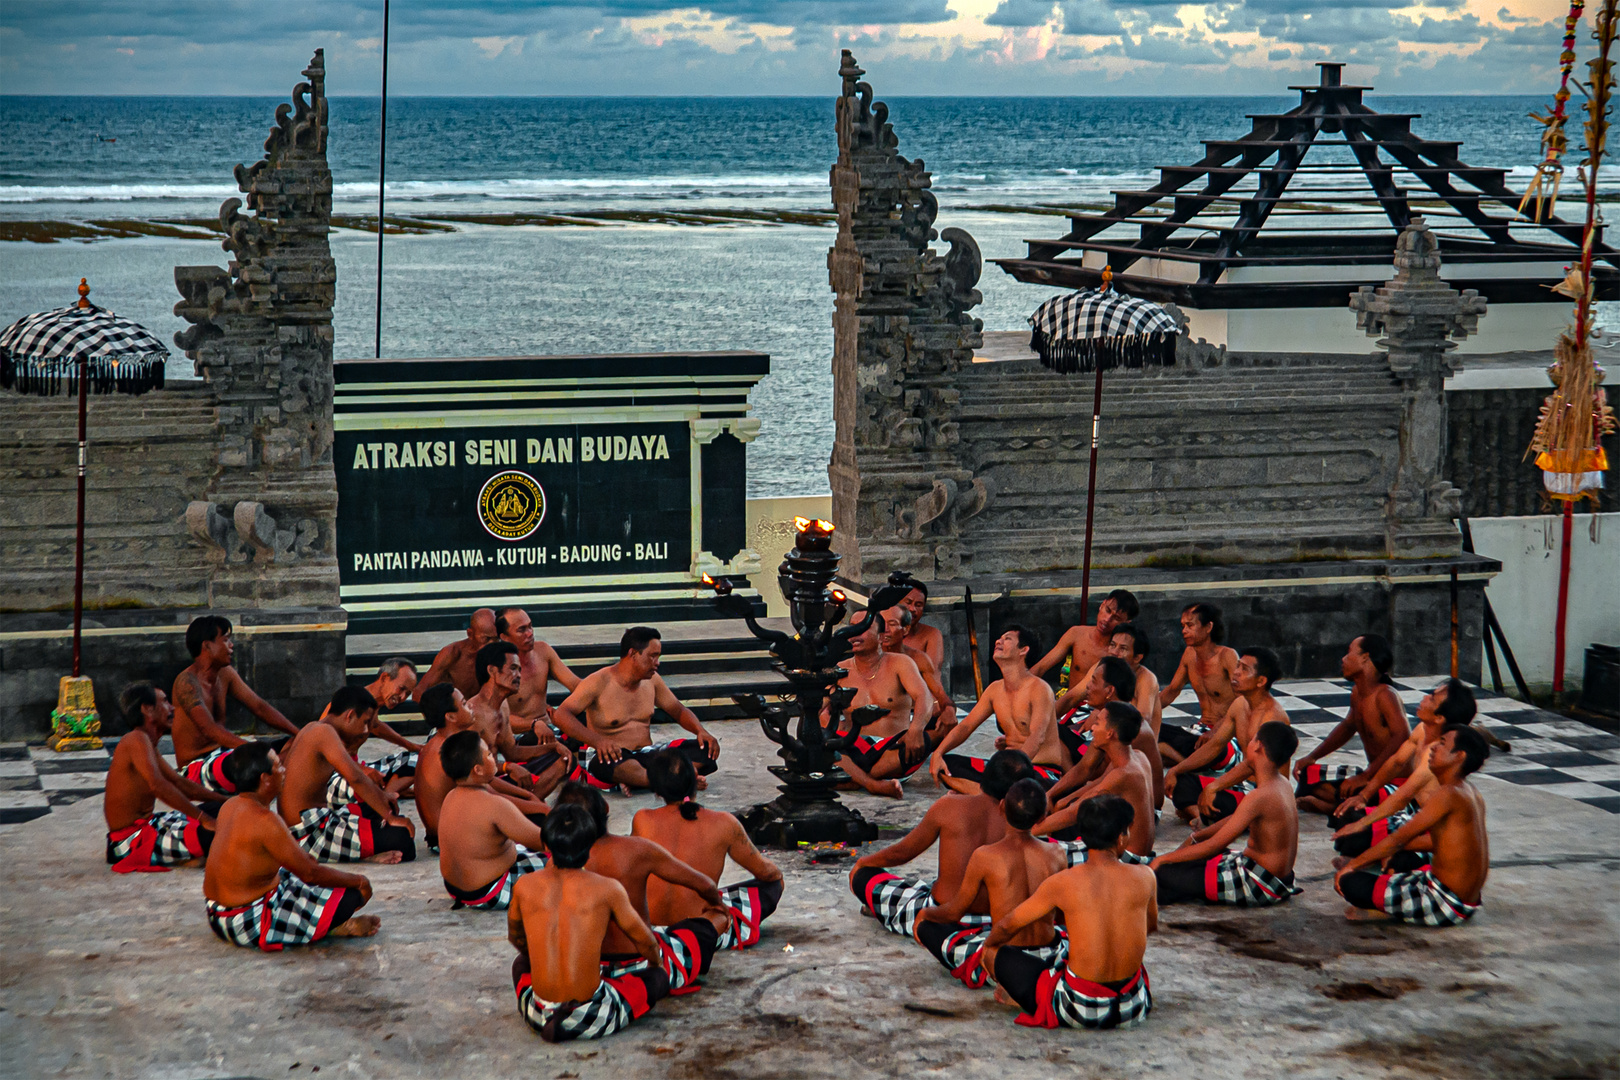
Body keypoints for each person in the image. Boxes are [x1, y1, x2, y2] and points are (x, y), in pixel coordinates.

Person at [982, 794, 1156, 1030]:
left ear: (1082, 836)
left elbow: (1007, 925)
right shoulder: (1146, 877)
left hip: (1077, 1008)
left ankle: (1017, 996)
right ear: (1121, 838)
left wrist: (988, 947)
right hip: (1132, 1005)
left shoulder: (1063, 883)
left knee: (995, 953)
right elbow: (1150, 926)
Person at [508, 804, 671, 1042]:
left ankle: (554, 1018)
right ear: (590, 848)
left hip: (537, 1012)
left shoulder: (524, 886)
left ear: (545, 846)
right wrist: (656, 964)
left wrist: (541, 958)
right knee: (658, 980)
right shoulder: (607, 889)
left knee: (520, 964)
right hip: (592, 1017)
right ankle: (569, 1021)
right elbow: (645, 941)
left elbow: (515, 937)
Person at [203, 743, 378, 950]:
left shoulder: (229, 806)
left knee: (290, 874)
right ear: (265, 779)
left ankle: (320, 925)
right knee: (352, 895)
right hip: (247, 923)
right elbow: (310, 873)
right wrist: (359, 881)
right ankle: (331, 927)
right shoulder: (266, 820)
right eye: (278, 766)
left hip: (215, 915)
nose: (284, 770)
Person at [556, 782, 727, 992]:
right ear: (606, 809)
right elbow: (705, 885)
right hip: (638, 963)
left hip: (583, 969)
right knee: (716, 918)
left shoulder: (553, 866)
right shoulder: (637, 850)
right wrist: (717, 904)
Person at [851, 749, 1036, 940]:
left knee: (862, 876)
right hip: (1000, 920)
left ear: (984, 778)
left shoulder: (949, 806)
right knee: (927, 885)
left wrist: (863, 862)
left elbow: (902, 853)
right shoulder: (1025, 823)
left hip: (942, 918)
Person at [914, 778, 1068, 989]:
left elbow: (954, 912)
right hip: (1051, 958)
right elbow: (1060, 916)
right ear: (1042, 817)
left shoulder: (985, 856)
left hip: (1002, 960)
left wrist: (925, 915)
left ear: (1002, 807)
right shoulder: (1058, 853)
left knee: (928, 928)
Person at [1335, 726, 1490, 926]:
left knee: (1350, 883)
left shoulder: (1449, 794)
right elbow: (1431, 841)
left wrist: (1349, 867)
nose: (1434, 747)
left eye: (1442, 744)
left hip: (1445, 902)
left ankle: (1390, 912)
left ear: (1459, 756)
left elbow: (1397, 840)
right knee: (1382, 863)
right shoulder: (1468, 790)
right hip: (1462, 899)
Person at [633, 749, 784, 950]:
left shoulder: (642, 819)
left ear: (657, 790)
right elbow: (766, 872)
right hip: (696, 934)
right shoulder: (724, 823)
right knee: (774, 884)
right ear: (695, 778)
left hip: (649, 930)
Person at [551, 627, 721, 792]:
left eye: (658, 657)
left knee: (706, 750)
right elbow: (561, 715)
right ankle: (676, 780)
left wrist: (700, 730)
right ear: (633, 654)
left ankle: (645, 781)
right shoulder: (598, 681)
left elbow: (678, 710)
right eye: (652, 656)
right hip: (613, 757)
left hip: (648, 755)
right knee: (610, 766)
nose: (657, 663)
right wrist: (598, 741)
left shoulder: (653, 681)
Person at [1152, 722, 1302, 907]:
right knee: (1186, 858)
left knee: (1162, 874)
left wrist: (1163, 859)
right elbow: (1233, 820)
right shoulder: (1282, 784)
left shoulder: (1259, 796)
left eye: (1253, 738)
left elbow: (1214, 846)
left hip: (1258, 883)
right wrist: (1198, 835)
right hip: (1276, 877)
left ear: (1258, 746)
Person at [1331, 680, 1478, 859]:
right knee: (1347, 816)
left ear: (1440, 718)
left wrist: (1361, 824)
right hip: (1413, 810)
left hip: (1430, 829)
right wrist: (1364, 796)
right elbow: (1396, 762)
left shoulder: (1436, 754)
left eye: (1431, 698)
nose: (1424, 698)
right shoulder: (1422, 729)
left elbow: (1403, 796)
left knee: (1354, 835)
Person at [276, 686, 417, 863]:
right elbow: (355, 778)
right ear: (349, 716)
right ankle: (366, 854)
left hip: (319, 818)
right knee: (403, 840)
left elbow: (356, 772)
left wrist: (383, 798)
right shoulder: (324, 732)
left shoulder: (316, 728)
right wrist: (390, 817)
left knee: (382, 807)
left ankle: (365, 845)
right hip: (308, 833)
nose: (366, 730)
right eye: (365, 722)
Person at [172, 615, 299, 795]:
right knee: (257, 762)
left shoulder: (226, 674)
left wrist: (299, 733)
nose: (231, 646)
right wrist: (255, 752)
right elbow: (209, 728)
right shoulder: (186, 682)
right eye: (225, 640)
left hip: (226, 755)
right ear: (206, 645)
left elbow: (259, 707)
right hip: (196, 769)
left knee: (298, 744)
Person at [417, 683, 550, 853]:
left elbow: (490, 781)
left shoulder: (446, 741)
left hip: (445, 829)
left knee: (529, 805)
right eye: (464, 704)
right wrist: (540, 807)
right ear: (450, 717)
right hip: (452, 836)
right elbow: (492, 797)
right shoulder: (452, 750)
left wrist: (528, 796)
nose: (471, 706)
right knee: (537, 819)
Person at [104, 682, 223, 873]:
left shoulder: (148, 743)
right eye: (165, 702)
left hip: (150, 825)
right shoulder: (136, 739)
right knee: (220, 833)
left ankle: (191, 855)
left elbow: (179, 783)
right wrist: (203, 818)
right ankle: (190, 855)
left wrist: (227, 801)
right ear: (147, 710)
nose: (172, 708)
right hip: (129, 842)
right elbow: (158, 786)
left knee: (224, 811)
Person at [930, 628, 1064, 793]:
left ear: (1023, 650)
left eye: (1007, 639)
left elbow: (1037, 737)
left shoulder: (1039, 689)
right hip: (1005, 768)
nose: (998, 642)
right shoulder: (994, 689)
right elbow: (966, 726)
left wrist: (1008, 771)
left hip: (1038, 769)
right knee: (947, 765)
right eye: (999, 638)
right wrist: (938, 752)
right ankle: (992, 794)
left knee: (1027, 788)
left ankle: (984, 794)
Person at [1168, 646, 1288, 826]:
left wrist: (1215, 786)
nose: (1236, 673)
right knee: (1180, 783)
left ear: (1261, 681)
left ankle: (1212, 819)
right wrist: (1176, 770)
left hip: (1265, 794)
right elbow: (1215, 745)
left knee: (1214, 798)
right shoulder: (1240, 704)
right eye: (1238, 666)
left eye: (1244, 669)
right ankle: (1202, 817)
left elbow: (1253, 765)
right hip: (1241, 785)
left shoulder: (1272, 717)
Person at [1294, 634, 1411, 814]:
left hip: (1393, 783)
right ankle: (1339, 804)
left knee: (1357, 802)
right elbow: (1348, 727)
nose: (1343, 659)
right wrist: (1312, 756)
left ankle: (1335, 807)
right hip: (1370, 776)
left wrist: (1366, 776)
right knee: (1307, 775)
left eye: (1349, 653)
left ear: (1365, 658)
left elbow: (1402, 736)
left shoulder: (1386, 695)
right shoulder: (1357, 693)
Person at [825, 611, 936, 798]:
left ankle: (852, 779)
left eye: (863, 628)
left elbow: (923, 696)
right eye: (852, 627)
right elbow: (820, 710)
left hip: (892, 752)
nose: (855, 634)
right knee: (816, 739)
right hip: (854, 750)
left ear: (881, 636)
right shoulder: (840, 669)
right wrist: (826, 729)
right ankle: (871, 783)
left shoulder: (901, 663)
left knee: (934, 732)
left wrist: (916, 729)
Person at [437, 731, 550, 911]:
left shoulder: (450, 797)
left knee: (520, 844)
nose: (493, 756)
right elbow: (546, 842)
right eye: (488, 754)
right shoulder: (494, 805)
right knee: (564, 858)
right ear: (478, 770)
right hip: (491, 891)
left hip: (455, 888)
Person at [1038, 702, 1156, 859]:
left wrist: (1027, 831)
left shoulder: (1124, 774)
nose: (1092, 728)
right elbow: (1097, 783)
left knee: (1042, 852)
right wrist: (1062, 800)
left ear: (1109, 733)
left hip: (1128, 858)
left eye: (1097, 723)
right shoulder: (1137, 756)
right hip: (1124, 848)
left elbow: (1073, 813)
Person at [466, 640, 574, 798]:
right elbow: (472, 768)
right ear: (491, 670)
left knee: (562, 758)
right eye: (513, 669)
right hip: (480, 787)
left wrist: (553, 747)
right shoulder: (472, 713)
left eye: (519, 670)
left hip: (499, 777)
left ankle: (528, 805)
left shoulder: (502, 706)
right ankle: (528, 807)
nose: (518, 676)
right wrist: (508, 767)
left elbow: (512, 752)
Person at [1043, 657, 1157, 804]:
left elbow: (1105, 782)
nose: (1088, 686)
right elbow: (1084, 768)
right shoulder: (1110, 717)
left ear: (1109, 691)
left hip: (1136, 808)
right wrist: (1051, 794)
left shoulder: (1130, 727)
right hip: (1110, 790)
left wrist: (1067, 801)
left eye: (1094, 681)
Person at [324, 658, 425, 807]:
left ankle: (387, 793)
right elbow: (324, 744)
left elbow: (376, 726)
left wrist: (410, 745)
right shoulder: (351, 701)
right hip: (334, 777)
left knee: (418, 758)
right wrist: (361, 770)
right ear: (384, 678)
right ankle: (383, 798)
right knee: (367, 783)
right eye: (401, 689)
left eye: (407, 693)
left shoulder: (372, 705)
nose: (403, 697)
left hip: (355, 770)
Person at [1157, 604, 1240, 760]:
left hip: (1226, 735)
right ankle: (1184, 762)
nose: (1184, 631)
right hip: (1199, 731)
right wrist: (1143, 712)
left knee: (1167, 746)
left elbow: (1243, 701)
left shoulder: (1227, 656)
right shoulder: (1189, 654)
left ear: (1208, 627)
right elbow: (1172, 690)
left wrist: (1216, 731)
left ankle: (1183, 764)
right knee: (1145, 731)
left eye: (1190, 625)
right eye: (1182, 626)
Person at [1030, 589, 1139, 699]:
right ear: (1102, 605)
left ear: (1126, 623)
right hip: (1069, 707)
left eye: (1116, 618)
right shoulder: (1076, 633)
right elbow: (1041, 667)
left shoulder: (1120, 653)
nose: (1107, 619)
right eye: (1107, 610)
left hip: (1101, 711)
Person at [496, 607, 582, 738]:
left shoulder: (543, 651)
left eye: (530, 626)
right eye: (522, 630)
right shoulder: (497, 667)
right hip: (519, 736)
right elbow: (498, 716)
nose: (530, 633)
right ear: (505, 637)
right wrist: (533, 724)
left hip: (550, 726)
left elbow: (576, 684)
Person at [880, 605, 957, 731]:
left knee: (944, 726)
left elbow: (939, 693)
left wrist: (948, 709)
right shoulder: (867, 657)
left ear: (905, 629)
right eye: (882, 624)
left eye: (892, 624)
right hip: (876, 722)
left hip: (912, 720)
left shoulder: (918, 658)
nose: (886, 629)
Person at [414, 608, 499, 701]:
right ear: (470, 634)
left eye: (496, 639)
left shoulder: (503, 653)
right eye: (486, 638)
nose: (492, 644)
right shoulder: (453, 653)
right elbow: (419, 692)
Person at [895, 576, 946, 671]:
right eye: (908, 602)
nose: (912, 609)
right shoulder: (881, 632)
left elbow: (933, 673)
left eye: (918, 605)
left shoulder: (932, 635)